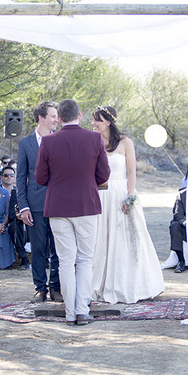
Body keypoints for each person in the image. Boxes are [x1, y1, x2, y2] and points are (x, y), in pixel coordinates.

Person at [35, 99, 110, 325]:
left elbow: (40, 177)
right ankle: (81, 310)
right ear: (79, 116)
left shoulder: (48, 142)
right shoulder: (94, 139)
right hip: (86, 206)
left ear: (59, 118)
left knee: (65, 261)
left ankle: (69, 314)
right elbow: (104, 174)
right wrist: (88, 183)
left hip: (58, 207)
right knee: (85, 260)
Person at [90, 106, 165, 303]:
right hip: (100, 194)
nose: (93, 124)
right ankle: (100, 282)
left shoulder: (125, 142)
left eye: (97, 120)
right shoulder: (93, 141)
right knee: (101, 239)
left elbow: (131, 172)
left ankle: (126, 284)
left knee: (123, 238)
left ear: (108, 121)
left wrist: (129, 197)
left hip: (120, 193)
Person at [17, 101, 63, 303]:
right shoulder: (25, 144)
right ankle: (40, 288)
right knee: (37, 248)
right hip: (34, 205)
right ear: (41, 118)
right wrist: (23, 206)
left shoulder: (61, 140)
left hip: (59, 203)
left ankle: (56, 287)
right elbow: (20, 177)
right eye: (53, 116)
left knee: (59, 248)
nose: (56, 120)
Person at [0, 165, 29, 270]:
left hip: (35, 223)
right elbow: (11, 214)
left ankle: (46, 258)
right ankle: (23, 257)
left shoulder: (39, 193)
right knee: (14, 227)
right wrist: (19, 216)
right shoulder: (15, 193)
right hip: (21, 225)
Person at [170, 186, 188, 273]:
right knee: (174, 226)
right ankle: (181, 261)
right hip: (186, 228)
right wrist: (186, 223)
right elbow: (178, 214)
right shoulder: (182, 194)